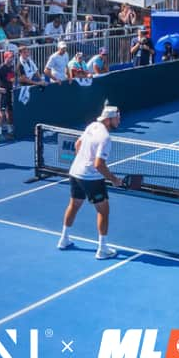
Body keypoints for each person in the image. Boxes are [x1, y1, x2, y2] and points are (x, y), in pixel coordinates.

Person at [57, 105, 123, 260]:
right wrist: (114, 180)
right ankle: (102, 249)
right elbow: (99, 164)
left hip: (75, 173)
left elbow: (77, 145)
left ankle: (64, 239)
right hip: (91, 179)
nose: (119, 120)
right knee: (103, 211)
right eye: (117, 118)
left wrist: (83, 160)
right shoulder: (105, 138)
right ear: (108, 119)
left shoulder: (92, 126)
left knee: (74, 205)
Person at [0, 51, 15, 141]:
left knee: (10, 112)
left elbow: (11, 79)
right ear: (5, 58)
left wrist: (13, 84)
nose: (11, 59)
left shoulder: (11, 67)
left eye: (12, 57)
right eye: (10, 57)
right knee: (1, 113)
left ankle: (9, 131)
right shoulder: (1, 68)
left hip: (10, 92)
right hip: (3, 93)